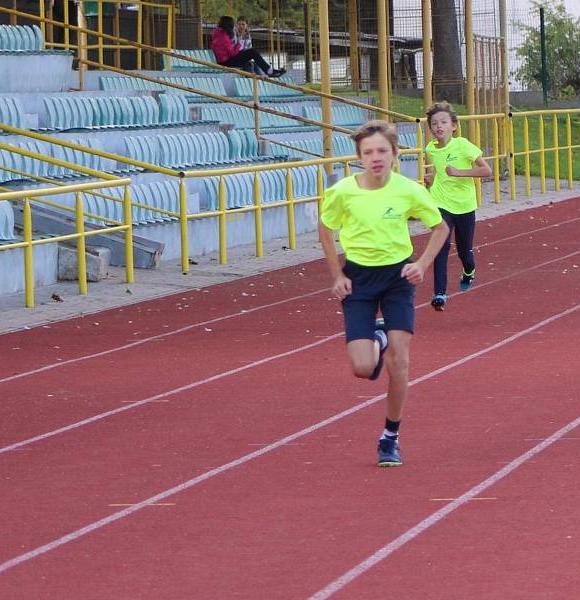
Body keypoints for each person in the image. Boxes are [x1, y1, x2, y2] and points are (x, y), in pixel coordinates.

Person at [318, 120, 449, 467]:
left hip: (397, 277)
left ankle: (390, 437)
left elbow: (440, 228)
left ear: (395, 154)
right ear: (359, 157)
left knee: (399, 364)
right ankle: (380, 337)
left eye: (382, 151)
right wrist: (336, 275)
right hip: (358, 279)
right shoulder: (343, 192)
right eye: (368, 152)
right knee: (363, 368)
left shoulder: (409, 190)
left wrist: (422, 264)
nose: (375, 157)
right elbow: (326, 228)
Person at [424, 101, 492, 311]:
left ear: (453, 126)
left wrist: (460, 173)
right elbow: (438, 171)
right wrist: (431, 180)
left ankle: (469, 270)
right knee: (440, 248)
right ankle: (440, 293)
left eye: (443, 122)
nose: (439, 126)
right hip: (441, 204)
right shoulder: (430, 149)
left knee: (464, 251)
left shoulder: (463, 145)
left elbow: (486, 171)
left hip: (464, 206)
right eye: (434, 123)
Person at [211, 16, 286, 78]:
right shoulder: (225, 37)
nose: (234, 27)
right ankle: (269, 71)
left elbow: (233, 51)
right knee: (252, 52)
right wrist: (239, 41)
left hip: (226, 59)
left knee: (250, 62)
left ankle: (262, 78)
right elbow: (232, 53)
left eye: (243, 24)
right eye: (236, 25)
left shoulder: (219, 33)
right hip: (226, 62)